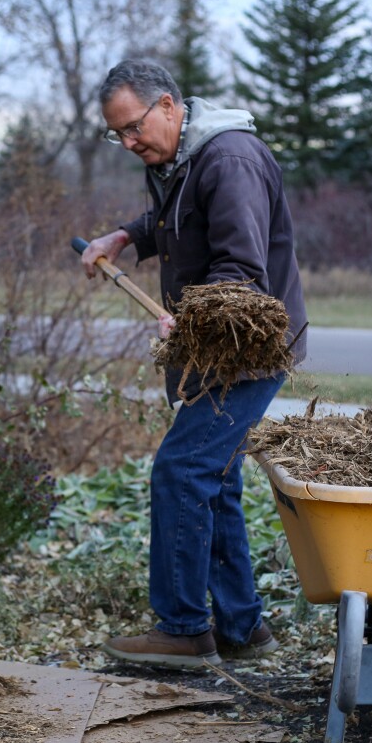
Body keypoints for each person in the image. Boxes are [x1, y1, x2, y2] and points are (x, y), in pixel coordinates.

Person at [80, 58, 307, 669]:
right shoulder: (182, 158)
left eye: (133, 127)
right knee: (216, 480)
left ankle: (183, 629)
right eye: (117, 134)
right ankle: (242, 628)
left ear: (170, 106)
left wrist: (192, 320)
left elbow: (241, 267)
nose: (129, 143)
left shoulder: (228, 161)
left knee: (181, 472)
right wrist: (124, 238)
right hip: (215, 349)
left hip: (246, 352)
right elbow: (178, 225)